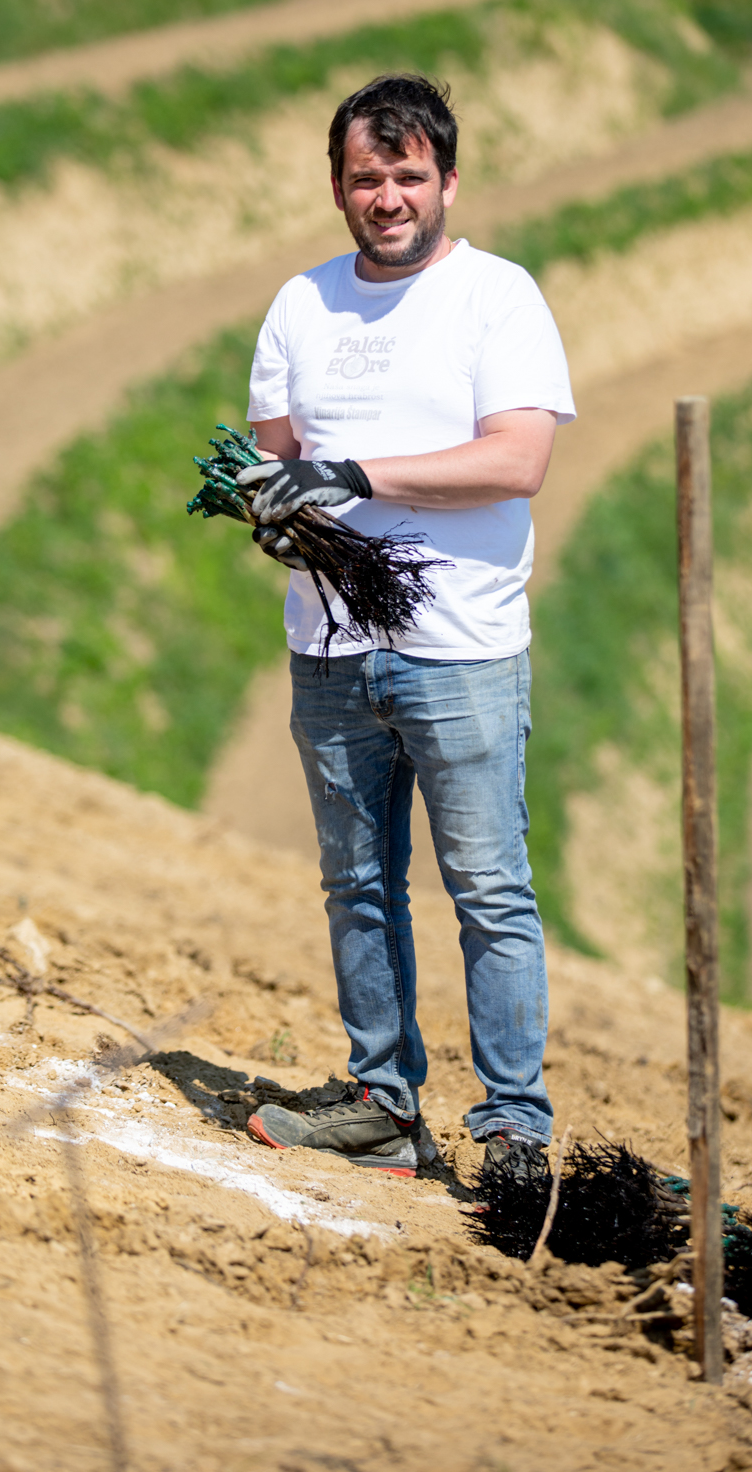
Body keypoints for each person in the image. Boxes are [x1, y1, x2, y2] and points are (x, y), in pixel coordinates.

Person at [237, 73, 574, 1180]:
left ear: (448, 181)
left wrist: (353, 473)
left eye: (407, 175)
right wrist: (277, 511)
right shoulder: (301, 304)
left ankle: (515, 1127)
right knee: (358, 885)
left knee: (489, 889)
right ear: (339, 186)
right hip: (331, 650)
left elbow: (515, 458)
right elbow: (272, 460)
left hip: (463, 651)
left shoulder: (499, 298)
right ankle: (383, 1102)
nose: (387, 197)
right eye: (365, 177)